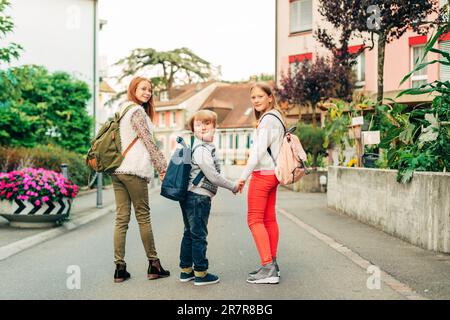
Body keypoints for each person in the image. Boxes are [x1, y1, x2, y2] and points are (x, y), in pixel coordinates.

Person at [112, 76, 170, 283]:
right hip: (134, 169)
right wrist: (163, 168)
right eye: (143, 88)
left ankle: (120, 268)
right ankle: (154, 264)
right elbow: (148, 141)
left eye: (150, 90)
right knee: (143, 217)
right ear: (133, 89)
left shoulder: (121, 110)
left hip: (117, 170)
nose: (147, 92)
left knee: (121, 219)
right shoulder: (137, 112)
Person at [178, 110, 241, 286]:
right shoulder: (201, 150)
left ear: (214, 127)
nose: (203, 127)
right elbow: (213, 176)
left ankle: (186, 271)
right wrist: (233, 186)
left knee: (189, 234)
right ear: (193, 129)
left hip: (191, 195)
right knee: (198, 235)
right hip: (198, 197)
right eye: (198, 124)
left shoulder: (202, 147)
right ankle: (200, 273)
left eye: (207, 123)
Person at [237, 82, 286, 284]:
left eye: (259, 96)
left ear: (269, 97)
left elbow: (257, 153)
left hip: (263, 176)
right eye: (253, 98)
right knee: (268, 219)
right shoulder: (278, 118)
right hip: (274, 174)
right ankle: (272, 264)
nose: (256, 100)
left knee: (254, 220)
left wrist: (243, 176)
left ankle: (268, 268)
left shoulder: (267, 120)